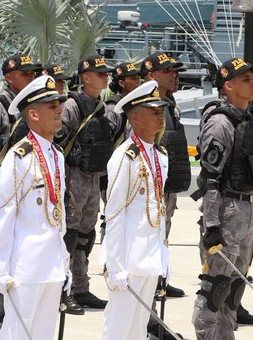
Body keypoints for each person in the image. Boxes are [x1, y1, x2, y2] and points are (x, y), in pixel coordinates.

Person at [192, 57, 253, 340]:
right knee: (215, 287)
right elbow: (211, 180)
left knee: (234, 288)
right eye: (246, 80)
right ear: (228, 86)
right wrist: (212, 225)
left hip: (246, 208)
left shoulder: (251, 117)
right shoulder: (220, 123)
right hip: (226, 209)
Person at [0, 74, 70, 340]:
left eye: (59, 103)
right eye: (52, 106)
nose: (60, 109)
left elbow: (58, 215)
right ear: (33, 115)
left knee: (44, 333)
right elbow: (3, 214)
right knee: (18, 333)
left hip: (52, 263)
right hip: (25, 265)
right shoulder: (19, 158)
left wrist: (64, 261)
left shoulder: (56, 155)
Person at [103, 80, 171, 340]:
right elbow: (115, 213)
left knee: (139, 328)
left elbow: (159, 211)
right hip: (129, 259)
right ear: (135, 117)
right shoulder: (125, 157)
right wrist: (116, 265)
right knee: (119, 328)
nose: (160, 116)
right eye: (153, 112)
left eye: (161, 111)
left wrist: (163, 256)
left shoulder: (159, 155)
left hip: (149, 257)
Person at [57, 54, 116, 312]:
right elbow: (57, 143)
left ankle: (81, 287)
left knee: (85, 236)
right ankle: (63, 290)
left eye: (106, 73)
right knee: (68, 236)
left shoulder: (100, 106)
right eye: (100, 73)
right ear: (86, 77)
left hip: (93, 178)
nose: (105, 77)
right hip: (74, 177)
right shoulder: (72, 105)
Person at [142, 52, 190, 263]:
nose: (173, 75)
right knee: (146, 231)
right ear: (151, 76)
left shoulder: (169, 105)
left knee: (164, 228)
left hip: (167, 183)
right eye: (167, 71)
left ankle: (161, 276)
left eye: (174, 71)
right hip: (149, 185)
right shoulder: (142, 106)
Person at [0, 53, 43, 159]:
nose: (31, 78)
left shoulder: (34, 103)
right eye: (25, 74)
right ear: (9, 78)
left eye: (32, 74)